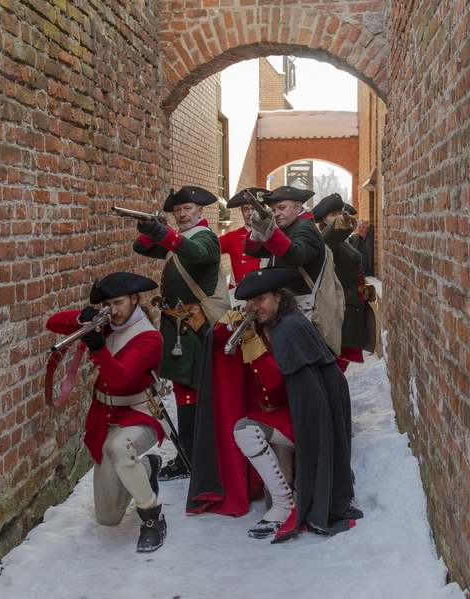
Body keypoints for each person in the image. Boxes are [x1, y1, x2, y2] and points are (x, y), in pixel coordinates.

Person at [217, 266, 362, 542]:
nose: (255, 307)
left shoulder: (289, 327)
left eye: (262, 300)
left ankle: (286, 505)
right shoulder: (276, 323)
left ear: (279, 297)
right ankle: (285, 500)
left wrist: (248, 340)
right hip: (293, 412)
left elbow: (272, 380)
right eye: (251, 302)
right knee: (271, 498)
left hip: (309, 419)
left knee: (245, 429)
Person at [45, 272, 167, 552]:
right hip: (106, 417)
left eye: (119, 303)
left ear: (135, 300)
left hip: (140, 415)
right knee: (108, 518)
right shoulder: (108, 321)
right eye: (108, 304)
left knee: (119, 447)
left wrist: (98, 346)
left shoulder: (149, 337)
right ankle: (147, 468)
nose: (113, 311)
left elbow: (120, 379)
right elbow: (52, 323)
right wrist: (82, 318)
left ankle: (152, 516)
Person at [133, 186, 222, 480]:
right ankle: (191, 455)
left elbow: (196, 254)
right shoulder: (180, 239)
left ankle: (196, 456)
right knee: (187, 388)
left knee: (193, 389)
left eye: (188, 209)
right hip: (179, 326)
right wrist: (149, 229)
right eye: (177, 210)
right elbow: (141, 248)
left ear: (200, 212)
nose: (182, 214)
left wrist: (165, 233)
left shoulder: (205, 237)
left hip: (197, 324)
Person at [312, 193, 366, 371]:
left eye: (340, 213)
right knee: (335, 363)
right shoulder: (326, 241)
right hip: (338, 309)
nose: (338, 218)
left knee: (340, 364)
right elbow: (327, 240)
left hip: (351, 306)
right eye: (332, 215)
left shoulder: (345, 241)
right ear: (324, 221)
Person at [243, 186, 324, 298]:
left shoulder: (305, 228)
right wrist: (257, 233)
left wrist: (270, 232)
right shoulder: (291, 226)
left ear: (299, 207)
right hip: (289, 299)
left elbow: (298, 256)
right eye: (273, 210)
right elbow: (256, 251)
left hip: (301, 301)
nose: (276, 214)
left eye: (282, 207)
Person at [218, 188, 267, 288]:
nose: (250, 213)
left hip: (264, 290)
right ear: (242, 212)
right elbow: (208, 249)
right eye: (246, 209)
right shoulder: (232, 236)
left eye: (254, 209)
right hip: (237, 293)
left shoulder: (273, 234)